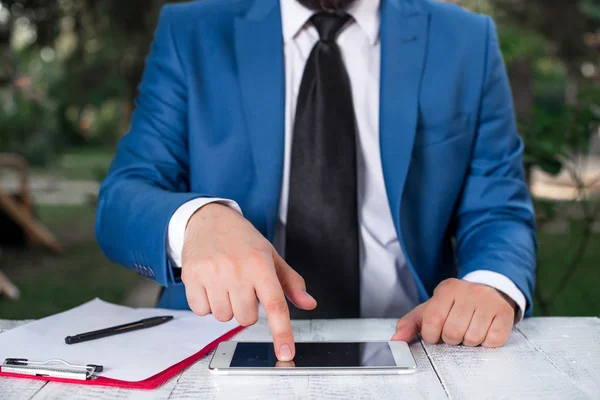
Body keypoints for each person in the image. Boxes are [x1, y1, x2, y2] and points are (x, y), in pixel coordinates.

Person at [96, 0, 536, 362]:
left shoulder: (466, 41)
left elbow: (498, 209)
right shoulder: (190, 32)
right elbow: (124, 196)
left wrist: (490, 284)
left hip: (417, 345)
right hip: (217, 344)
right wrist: (195, 223)